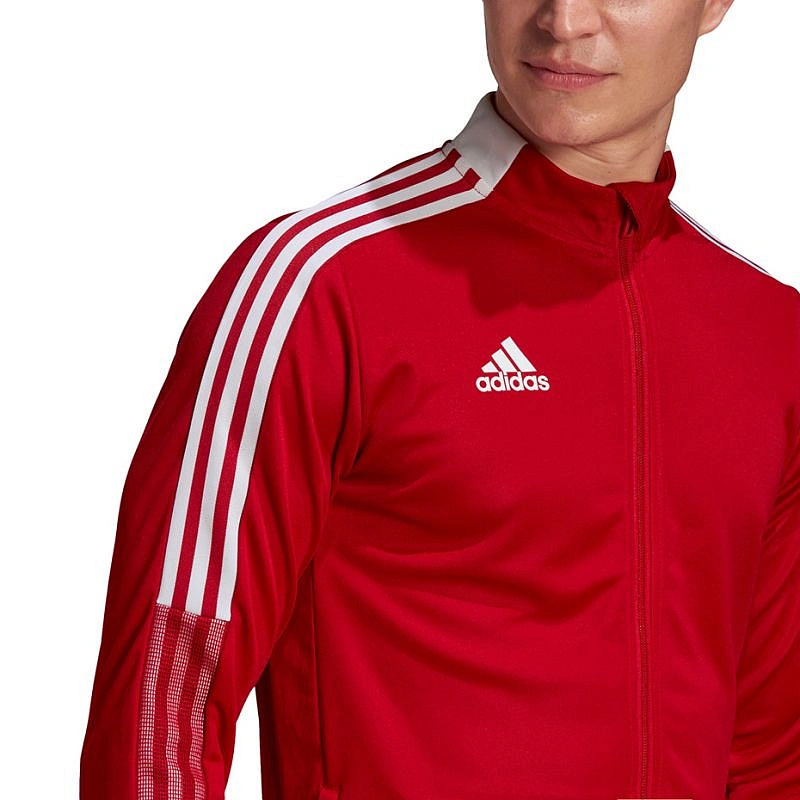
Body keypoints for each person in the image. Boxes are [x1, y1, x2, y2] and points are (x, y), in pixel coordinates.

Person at [80, 1, 800, 798]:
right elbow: (166, 692)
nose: (563, 20)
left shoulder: (770, 335)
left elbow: (770, 753)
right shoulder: (319, 285)